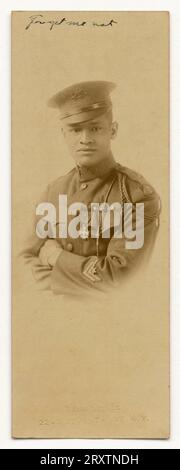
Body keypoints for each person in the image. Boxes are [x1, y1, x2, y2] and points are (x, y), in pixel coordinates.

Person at [22, 80, 161, 296]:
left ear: (112, 130)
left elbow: (119, 279)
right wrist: (54, 285)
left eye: (95, 128)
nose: (85, 139)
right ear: (64, 134)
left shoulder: (136, 195)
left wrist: (55, 257)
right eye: (75, 130)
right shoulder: (53, 191)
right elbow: (22, 262)